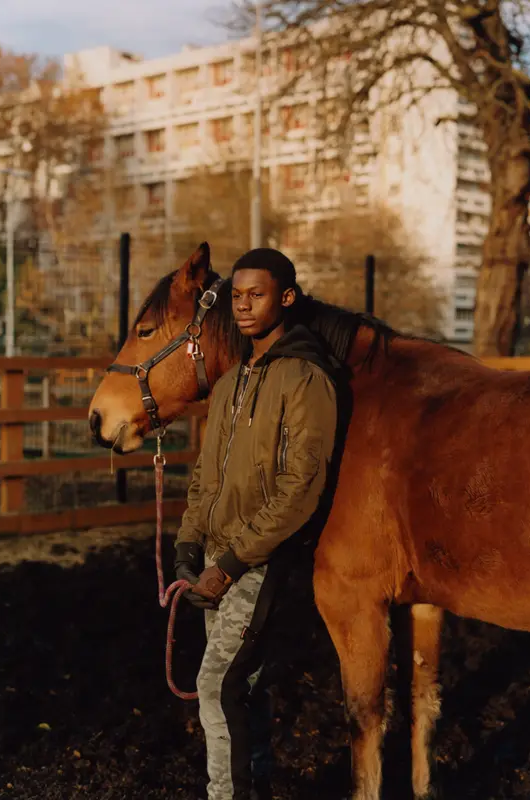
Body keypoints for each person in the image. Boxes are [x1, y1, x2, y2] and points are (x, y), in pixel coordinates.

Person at [174, 248, 339, 800]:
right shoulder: (227, 384)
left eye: (257, 295)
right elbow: (205, 477)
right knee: (243, 688)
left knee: (215, 687)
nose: (243, 307)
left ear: (286, 298)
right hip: (215, 558)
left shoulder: (306, 379)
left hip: (257, 562)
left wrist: (229, 564)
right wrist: (188, 545)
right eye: (237, 296)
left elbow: (302, 488)